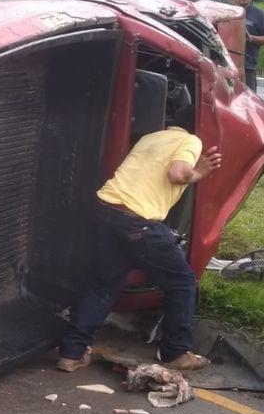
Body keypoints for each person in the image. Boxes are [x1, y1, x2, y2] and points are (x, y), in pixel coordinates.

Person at [57, 111, 222, 374]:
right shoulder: (191, 141)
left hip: (106, 209)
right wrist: (199, 172)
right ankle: (177, 352)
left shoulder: (150, 137)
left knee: (102, 285)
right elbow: (177, 173)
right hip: (138, 221)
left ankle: (72, 353)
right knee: (182, 282)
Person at [233, 0, 264, 92]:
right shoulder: (225, 12)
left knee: (248, 101)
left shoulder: (259, 14)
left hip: (248, 68)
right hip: (226, 66)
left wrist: (250, 38)